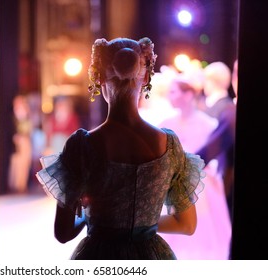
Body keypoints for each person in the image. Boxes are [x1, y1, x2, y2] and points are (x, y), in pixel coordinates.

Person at [36, 37, 205, 260]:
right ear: (145, 76)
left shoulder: (82, 147)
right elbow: (187, 224)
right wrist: (143, 223)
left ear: (98, 77)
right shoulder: (169, 144)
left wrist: (91, 217)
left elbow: (63, 232)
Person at [158, 75, 231, 259]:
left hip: (199, 182)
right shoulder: (166, 123)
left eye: (174, 91)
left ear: (189, 94)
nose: (170, 96)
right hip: (170, 181)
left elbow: (212, 159)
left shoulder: (207, 123)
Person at [196, 61, 236, 224]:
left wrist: (188, 163)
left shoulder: (226, 111)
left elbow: (214, 146)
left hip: (220, 172)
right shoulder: (220, 107)